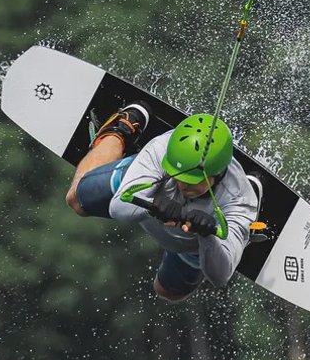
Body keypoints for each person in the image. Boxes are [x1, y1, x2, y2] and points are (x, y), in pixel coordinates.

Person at [65, 104, 261, 302]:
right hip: (143, 187)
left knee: (167, 292)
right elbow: (117, 209)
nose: (183, 185)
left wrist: (207, 235)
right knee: (76, 200)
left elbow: (221, 276)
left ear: (217, 175)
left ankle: (247, 209)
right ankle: (122, 129)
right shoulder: (162, 147)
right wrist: (154, 205)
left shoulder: (239, 198)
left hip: (188, 244)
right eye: (179, 176)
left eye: (193, 180)